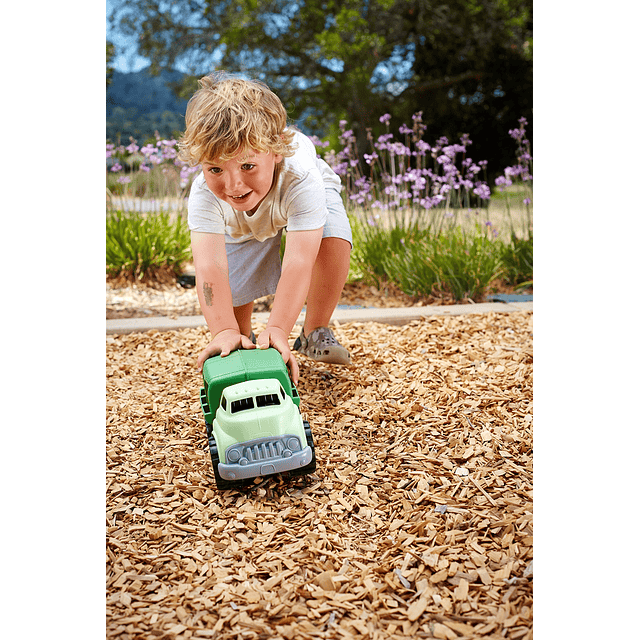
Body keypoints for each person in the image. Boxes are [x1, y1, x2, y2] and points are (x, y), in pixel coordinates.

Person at [177, 73, 353, 384]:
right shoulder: (206, 193)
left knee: (332, 237)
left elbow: (299, 262)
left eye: (247, 166)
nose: (233, 184)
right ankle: (241, 334)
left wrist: (279, 330)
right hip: (239, 219)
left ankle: (315, 330)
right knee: (235, 299)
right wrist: (224, 331)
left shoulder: (301, 178)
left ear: (275, 150)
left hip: (298, 195)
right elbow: (210, 268)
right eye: (215, 168)